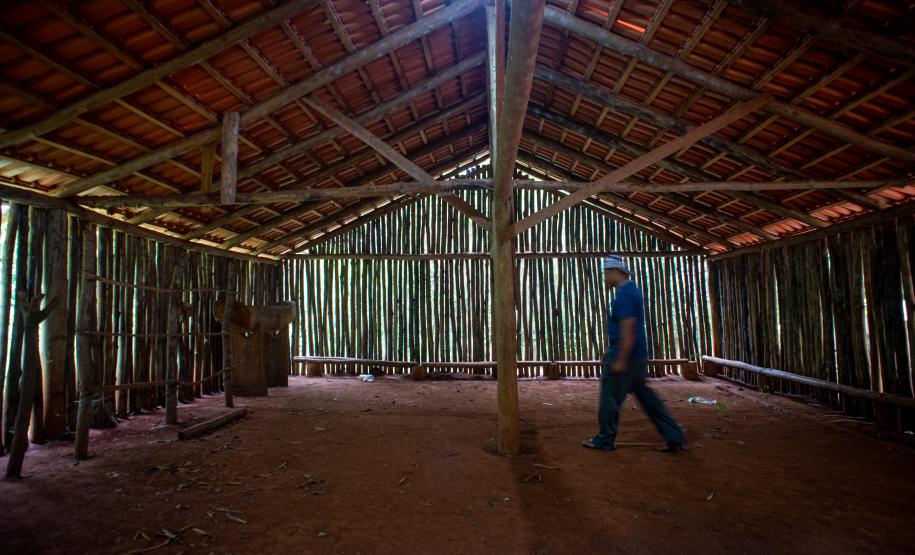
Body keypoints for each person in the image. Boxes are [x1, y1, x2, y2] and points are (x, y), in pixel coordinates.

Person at [582, 255, 687, 453]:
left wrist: (620, 359)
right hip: (636, 356)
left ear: (615, 271)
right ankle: (674, 436)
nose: (604, 277)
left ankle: (605, 439)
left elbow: (628, 329)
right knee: (648, 399)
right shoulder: (632, 291)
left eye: (606, 273)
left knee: (609, 399)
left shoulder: (625, 294)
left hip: (626, 358)